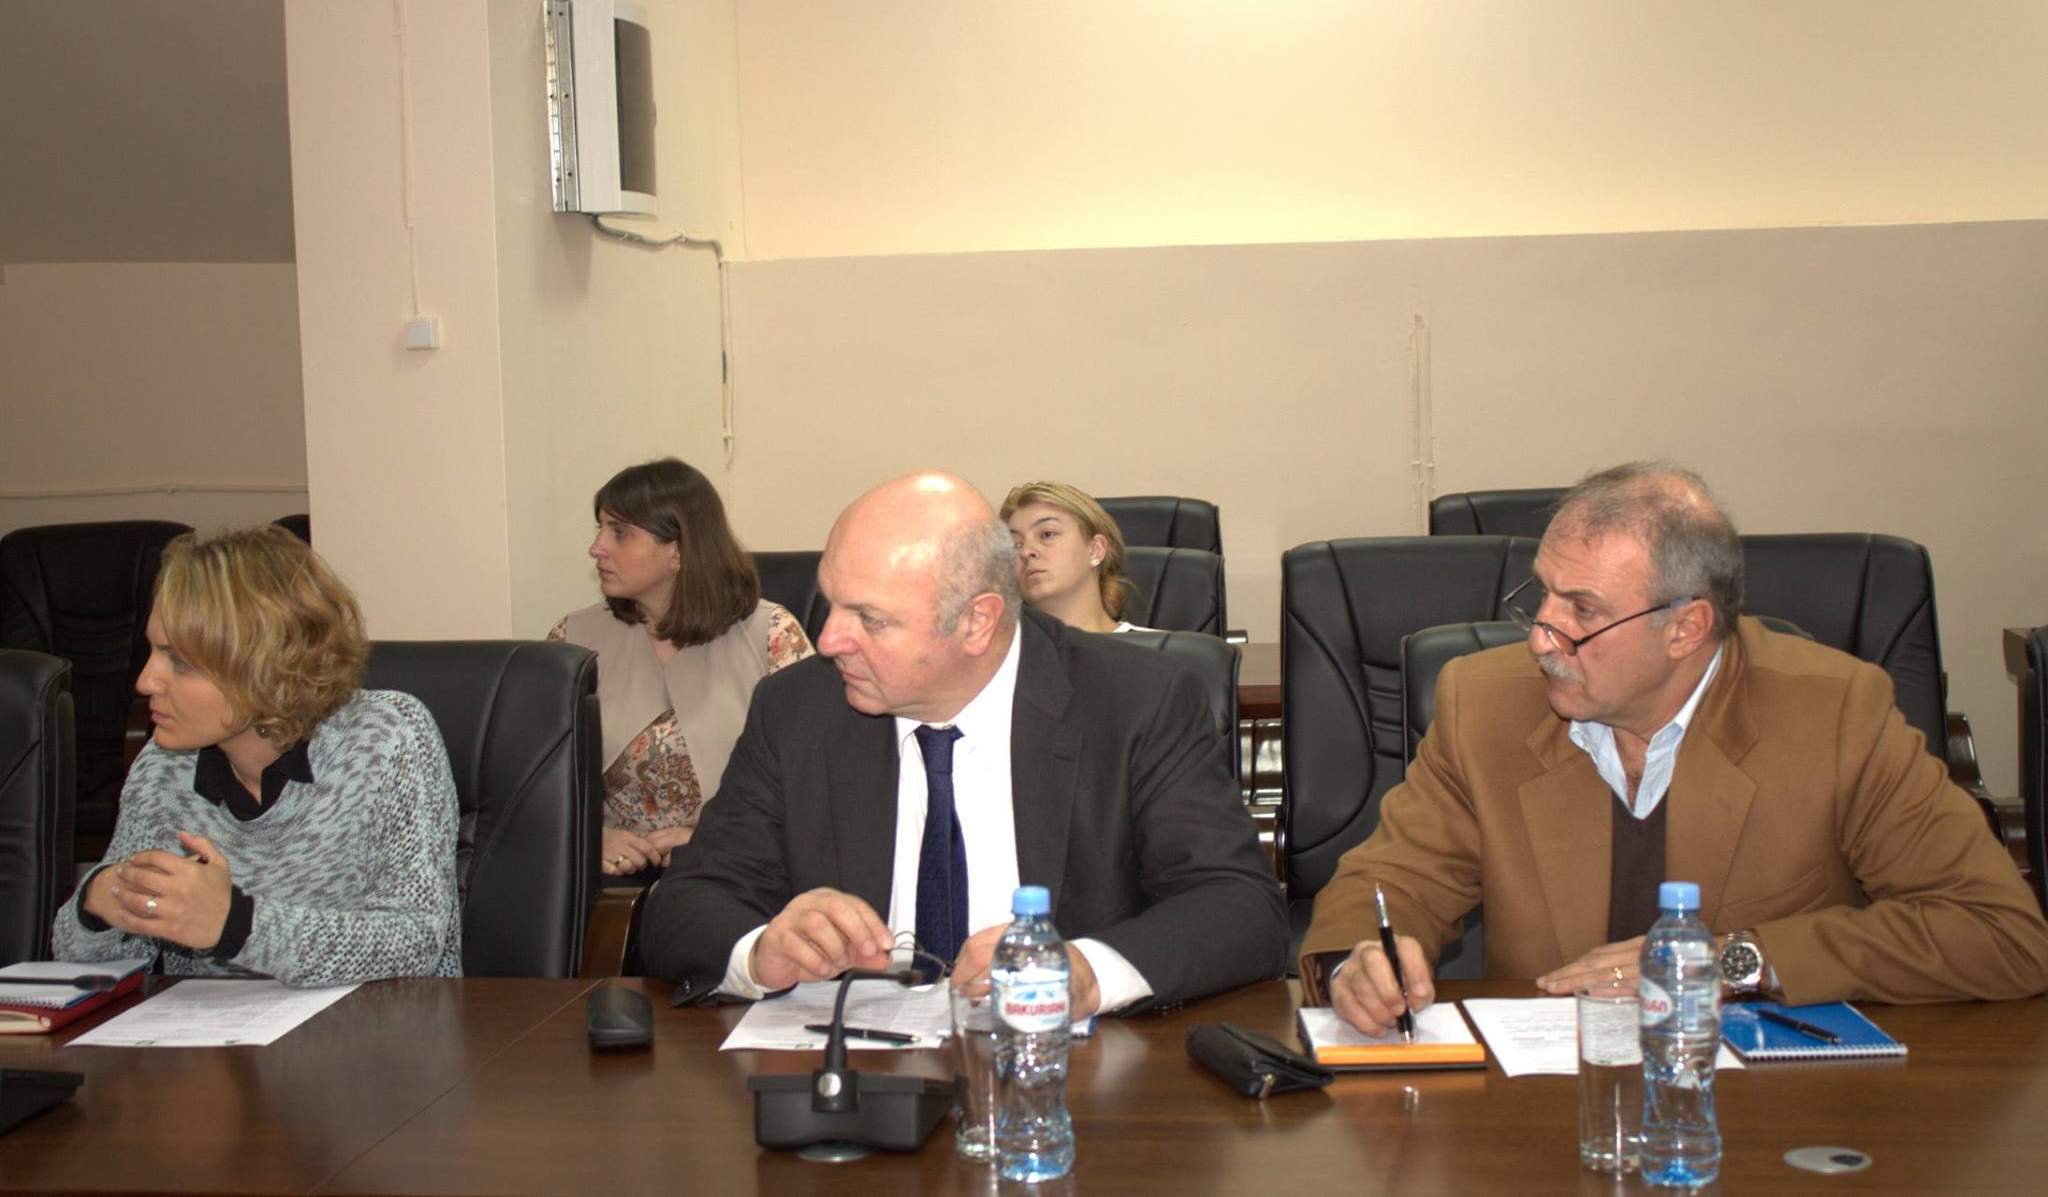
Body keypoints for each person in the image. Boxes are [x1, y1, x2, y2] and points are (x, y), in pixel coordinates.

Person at [1304, 462, 2048, 1035]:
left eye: (1582, 610)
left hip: (1767, 1113)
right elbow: (1392, 879)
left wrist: (1731, 961)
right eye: (1543, 595)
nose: (1540, 637)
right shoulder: (1484, 701)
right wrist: (1358, 960)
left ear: (1686, 628)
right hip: (1543, 1105)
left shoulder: (1836, 715)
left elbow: (2001, 934)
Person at [639, 471, 1284, 1014]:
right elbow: (686, 902)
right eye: (831, 603)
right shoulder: (798, 709)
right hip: (856, 1072)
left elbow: (1238, 905)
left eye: (870, 619)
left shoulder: (1135, 700)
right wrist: (760, 950)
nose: (829, 640)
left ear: (978, 622)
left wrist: (1087, 972)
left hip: (1066, 1078)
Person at [52, 526, 462, 986]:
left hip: (383, 1026)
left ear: (262, 667)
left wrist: (235, 925)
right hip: (212, 1030)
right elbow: (96, 970)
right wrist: (98, 905)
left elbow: (417, 942)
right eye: (152, 651)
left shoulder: (384, 737)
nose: (145, 681)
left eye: (179, 661)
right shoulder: (164, 766)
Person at [550, 458, 813, 883]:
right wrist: (590, 837)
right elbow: (537, 782)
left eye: (620, 532)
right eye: (600, 529)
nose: (597, 547)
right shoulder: (574, 641)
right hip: (613, 883)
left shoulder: (770, 635)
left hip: (743, 872)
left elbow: (814, 781)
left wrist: (714, 839)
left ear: (677, 549)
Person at [1001, 480, 1148, 633]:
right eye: (1015, 544)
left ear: (1095, 550)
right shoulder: (997, 648)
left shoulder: (1156, 645)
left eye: (1047, 534)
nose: (1025, 551)